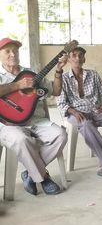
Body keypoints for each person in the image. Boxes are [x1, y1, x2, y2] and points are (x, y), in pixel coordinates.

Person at [0, 37, 67, 195]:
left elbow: (56, 91)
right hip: (9, 124)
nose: (13, 54)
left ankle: (30, 174)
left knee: (60, 135)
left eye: (15, 51)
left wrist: (58, 70)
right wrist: (18, 85)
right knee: (21, 140)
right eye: (7, 51)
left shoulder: (30, 73)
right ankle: (43, 178)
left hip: (37, 121)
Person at [57, 46, 102, 179]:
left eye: (80, 55)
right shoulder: (63, 78)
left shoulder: (93, 75)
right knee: (86, 125)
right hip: (76, 112)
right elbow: (61, 103)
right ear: (68, 59)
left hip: (95, 110)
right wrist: (73, 111)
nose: (78, 58)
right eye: (74, 55)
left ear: (84, 59)